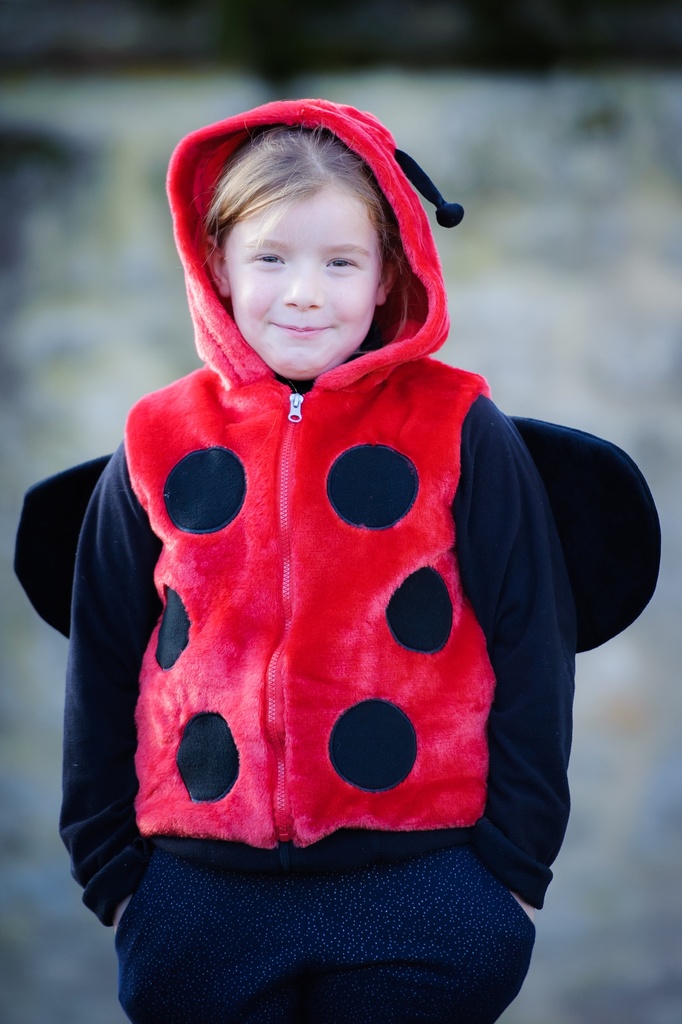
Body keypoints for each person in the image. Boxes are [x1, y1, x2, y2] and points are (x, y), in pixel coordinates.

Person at [59, 99, 576, 1024]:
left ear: (388, 276)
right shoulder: (155, 438)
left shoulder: (459, 426)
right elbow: (100, 654)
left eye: (341, 262)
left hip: (423, 888)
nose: (305, 292)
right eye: (271, 259)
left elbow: (532, 639)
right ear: (217, 263)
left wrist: (512, 875)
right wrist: (113, 875)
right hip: (199, 896)